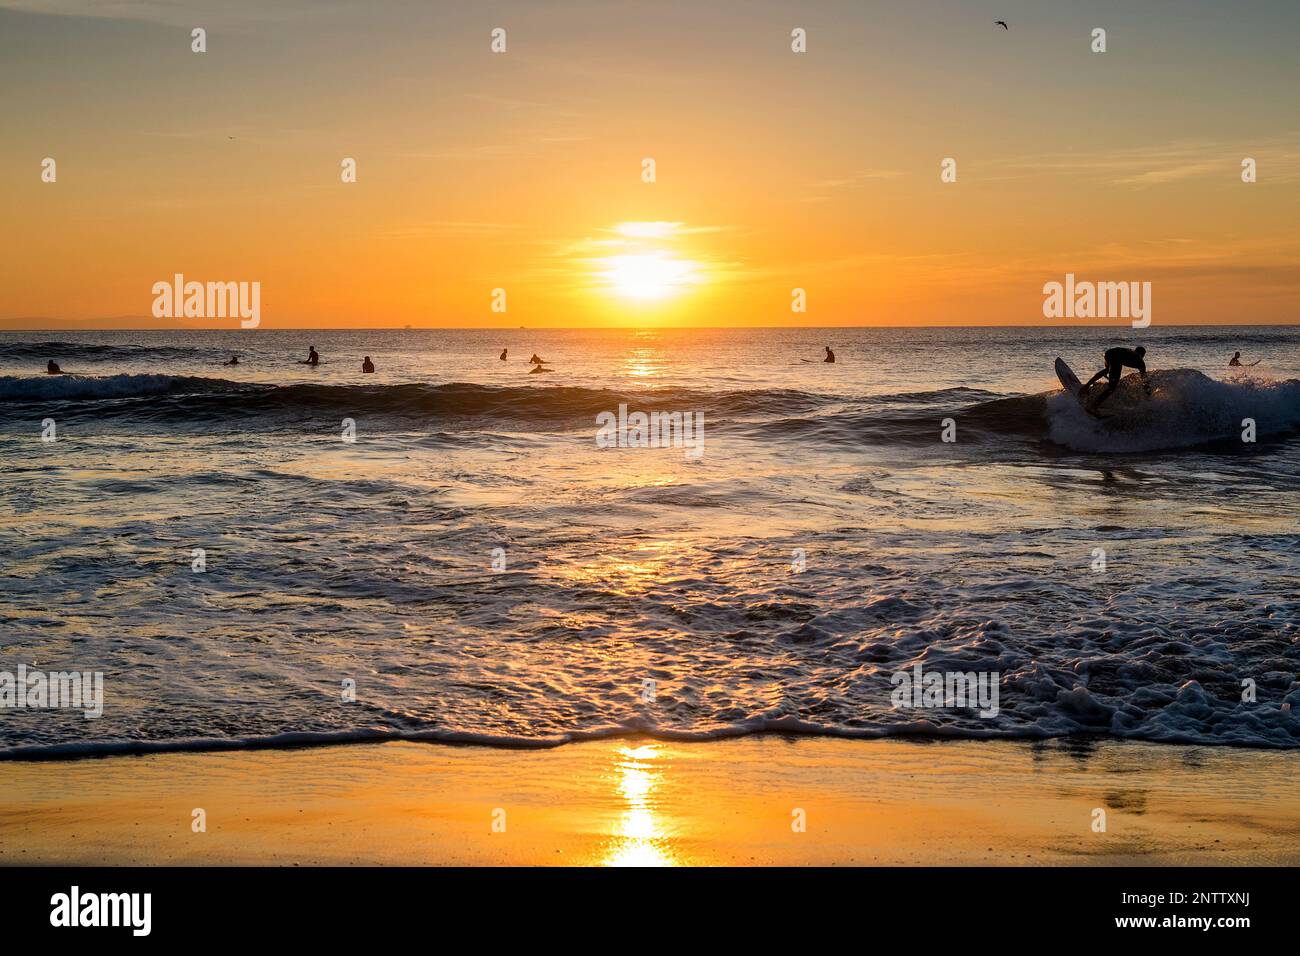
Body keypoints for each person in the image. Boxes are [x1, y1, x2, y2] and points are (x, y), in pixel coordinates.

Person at [1083, 345, 1151, 408]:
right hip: (1116, 358)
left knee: (1107, 370)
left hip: (1108, 353)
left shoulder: (1131, 352)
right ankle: (1094, 406)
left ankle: (1086, 386)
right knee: (1112, 388)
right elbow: (1145, 380)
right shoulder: (1140, 362)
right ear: (1143, 355)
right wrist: (1148, 393)